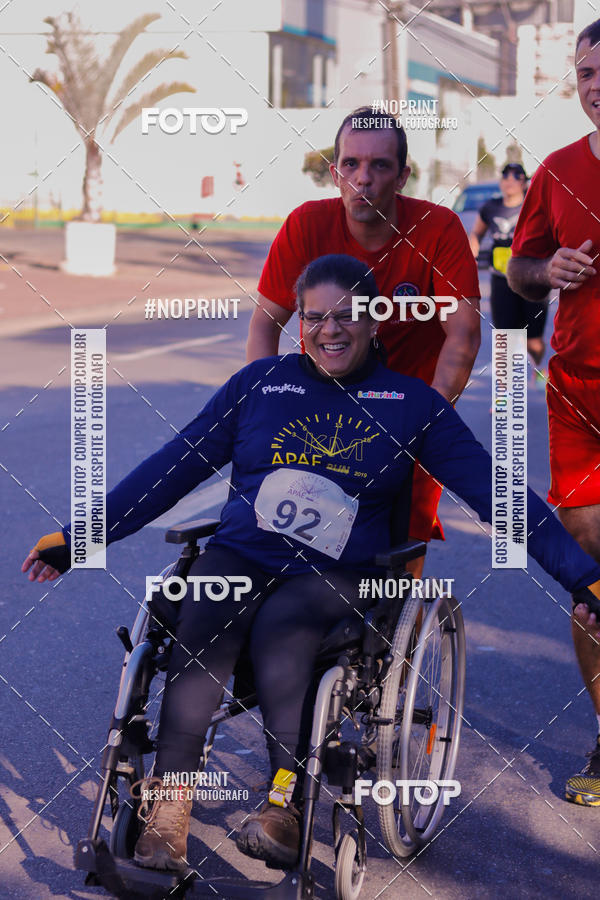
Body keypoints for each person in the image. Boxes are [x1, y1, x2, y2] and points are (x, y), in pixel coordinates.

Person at [23, 255, 600, 872]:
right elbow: (169, 470)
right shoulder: (258, 387)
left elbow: (501, 493)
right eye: (315, 315)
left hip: (339, 574)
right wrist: (79, 536)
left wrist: (583, 575)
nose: (331, 329)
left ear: (375, 319)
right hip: (241, 555)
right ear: (299, 321)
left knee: (282, 624)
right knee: (202, 622)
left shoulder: (411, 405)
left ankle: (283, 804)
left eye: (347, 315)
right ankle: (169, 815)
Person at [246, 107, 481, 576]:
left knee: (397, 558)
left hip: (408, 409)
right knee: (293, 550)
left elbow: (464, 333)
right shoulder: (307, 225)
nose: (363, 179)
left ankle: (398, 640)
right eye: (351, 164)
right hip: (321, 407)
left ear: (402, 176)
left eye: (379, 166)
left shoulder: (438, 229)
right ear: (334, 173)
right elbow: (263, 325)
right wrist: (268, 405)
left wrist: (428, 417)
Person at [507, 19, 600, 806]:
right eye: (584, 72)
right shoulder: (558, 169)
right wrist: (549, 268)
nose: (593, 84)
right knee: (590, 574)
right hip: (577, 391)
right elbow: (518, 271)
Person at [469, 163, 548, 384]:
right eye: (505, 177)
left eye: (516, 177)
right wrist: (472, 250)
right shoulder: (490, 208)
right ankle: (506, 394)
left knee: (533, 342)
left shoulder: (535, 206)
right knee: (505, 339)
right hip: (501, 280)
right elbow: (476, 233)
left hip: (532, 281)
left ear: (524, 182)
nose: (509, 181)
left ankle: (535, 365)